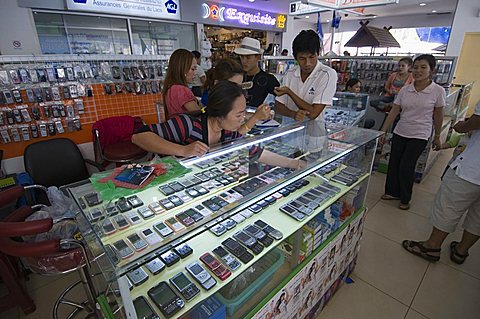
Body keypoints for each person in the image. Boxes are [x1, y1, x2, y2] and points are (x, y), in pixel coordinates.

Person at [132, 81, 305, 170]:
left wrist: (293, 164)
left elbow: (254, 152)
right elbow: (139, 137)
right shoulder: (188, 125)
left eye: (244, 112)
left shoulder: (227, 132)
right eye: (238, 114)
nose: (242, 118)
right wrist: (183, 150)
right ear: (220, 114)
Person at [402, 102, 480, 264]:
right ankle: (461, 251)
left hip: (472, 169)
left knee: (449, 207)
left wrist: (462, 126)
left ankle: (432, 246)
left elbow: (476, 121)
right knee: (478, 217)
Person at [380, 54, 445, 210]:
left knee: (406, 166)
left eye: (423, 67)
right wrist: (382, 131)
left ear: (431, 70)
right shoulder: (405, 89)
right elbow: (395, 110)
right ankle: (391, 192)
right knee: (394, 162)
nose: (418, 71)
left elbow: (438, 114)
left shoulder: (437, 91)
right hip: (401, 131)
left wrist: (437, 136)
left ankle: (405, 197)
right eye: (415, 67)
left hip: (420, 134)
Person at [274, 29, 337, 150]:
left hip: (313, 138)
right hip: (289, 137)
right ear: (295, 57)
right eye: (302, 58)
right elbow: (278, 107)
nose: (307, 63)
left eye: (312, 57)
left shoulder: (328, 74)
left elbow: (313, 113)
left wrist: (289, 92)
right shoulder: (290, 73)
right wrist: (293, 114)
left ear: (318, 53)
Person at [201, 58, 270, 134]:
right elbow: (236, 134)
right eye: (233, 86)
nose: (238, 91)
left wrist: (257, 115)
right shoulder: (213, 104)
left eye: (240, 86)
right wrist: (255, 117)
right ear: (217, 83)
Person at [234, 37, 280, 108]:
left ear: (258, 57)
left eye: (248, 57)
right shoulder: (236, 78)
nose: (244, 61)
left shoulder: (269, 80)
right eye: (241, 57)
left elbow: (280, 102)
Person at [162, 49, 200, 119]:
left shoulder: (171, 88)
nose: (195, 73)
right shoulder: (181, 89)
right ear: (182, 69)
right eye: (192, 69)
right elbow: (198, 113)